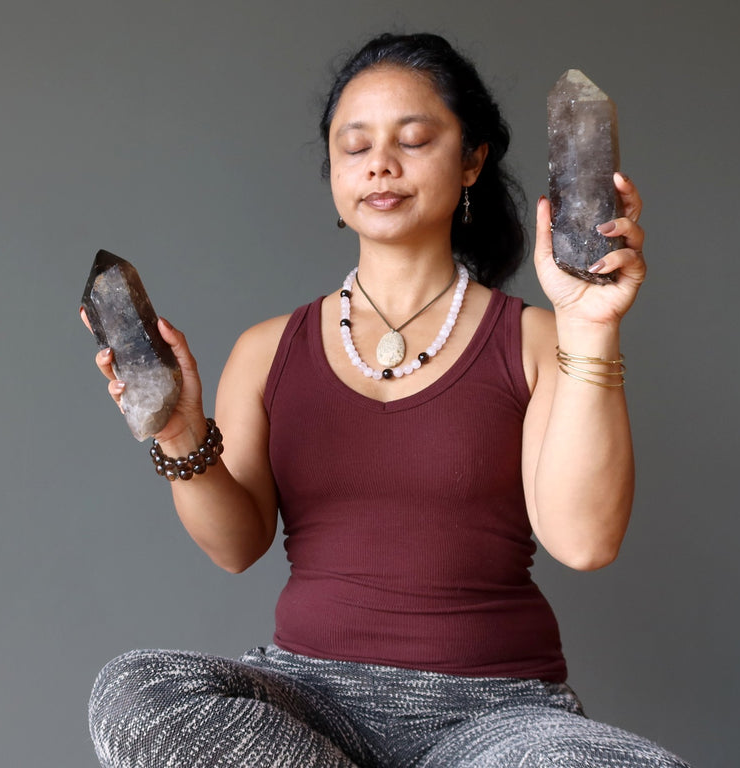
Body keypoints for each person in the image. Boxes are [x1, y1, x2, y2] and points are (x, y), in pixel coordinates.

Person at [84, 32, 689, 768]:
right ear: (333, 171)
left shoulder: (533, 338)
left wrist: (591, 329)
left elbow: (584, 543)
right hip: (308, 710)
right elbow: (237, 546)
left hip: (495, 719)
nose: (380, 162)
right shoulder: (268, 349)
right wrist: (181, 432)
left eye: (414, 138)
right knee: (134, 690)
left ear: (472, 159)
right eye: (354, 144)